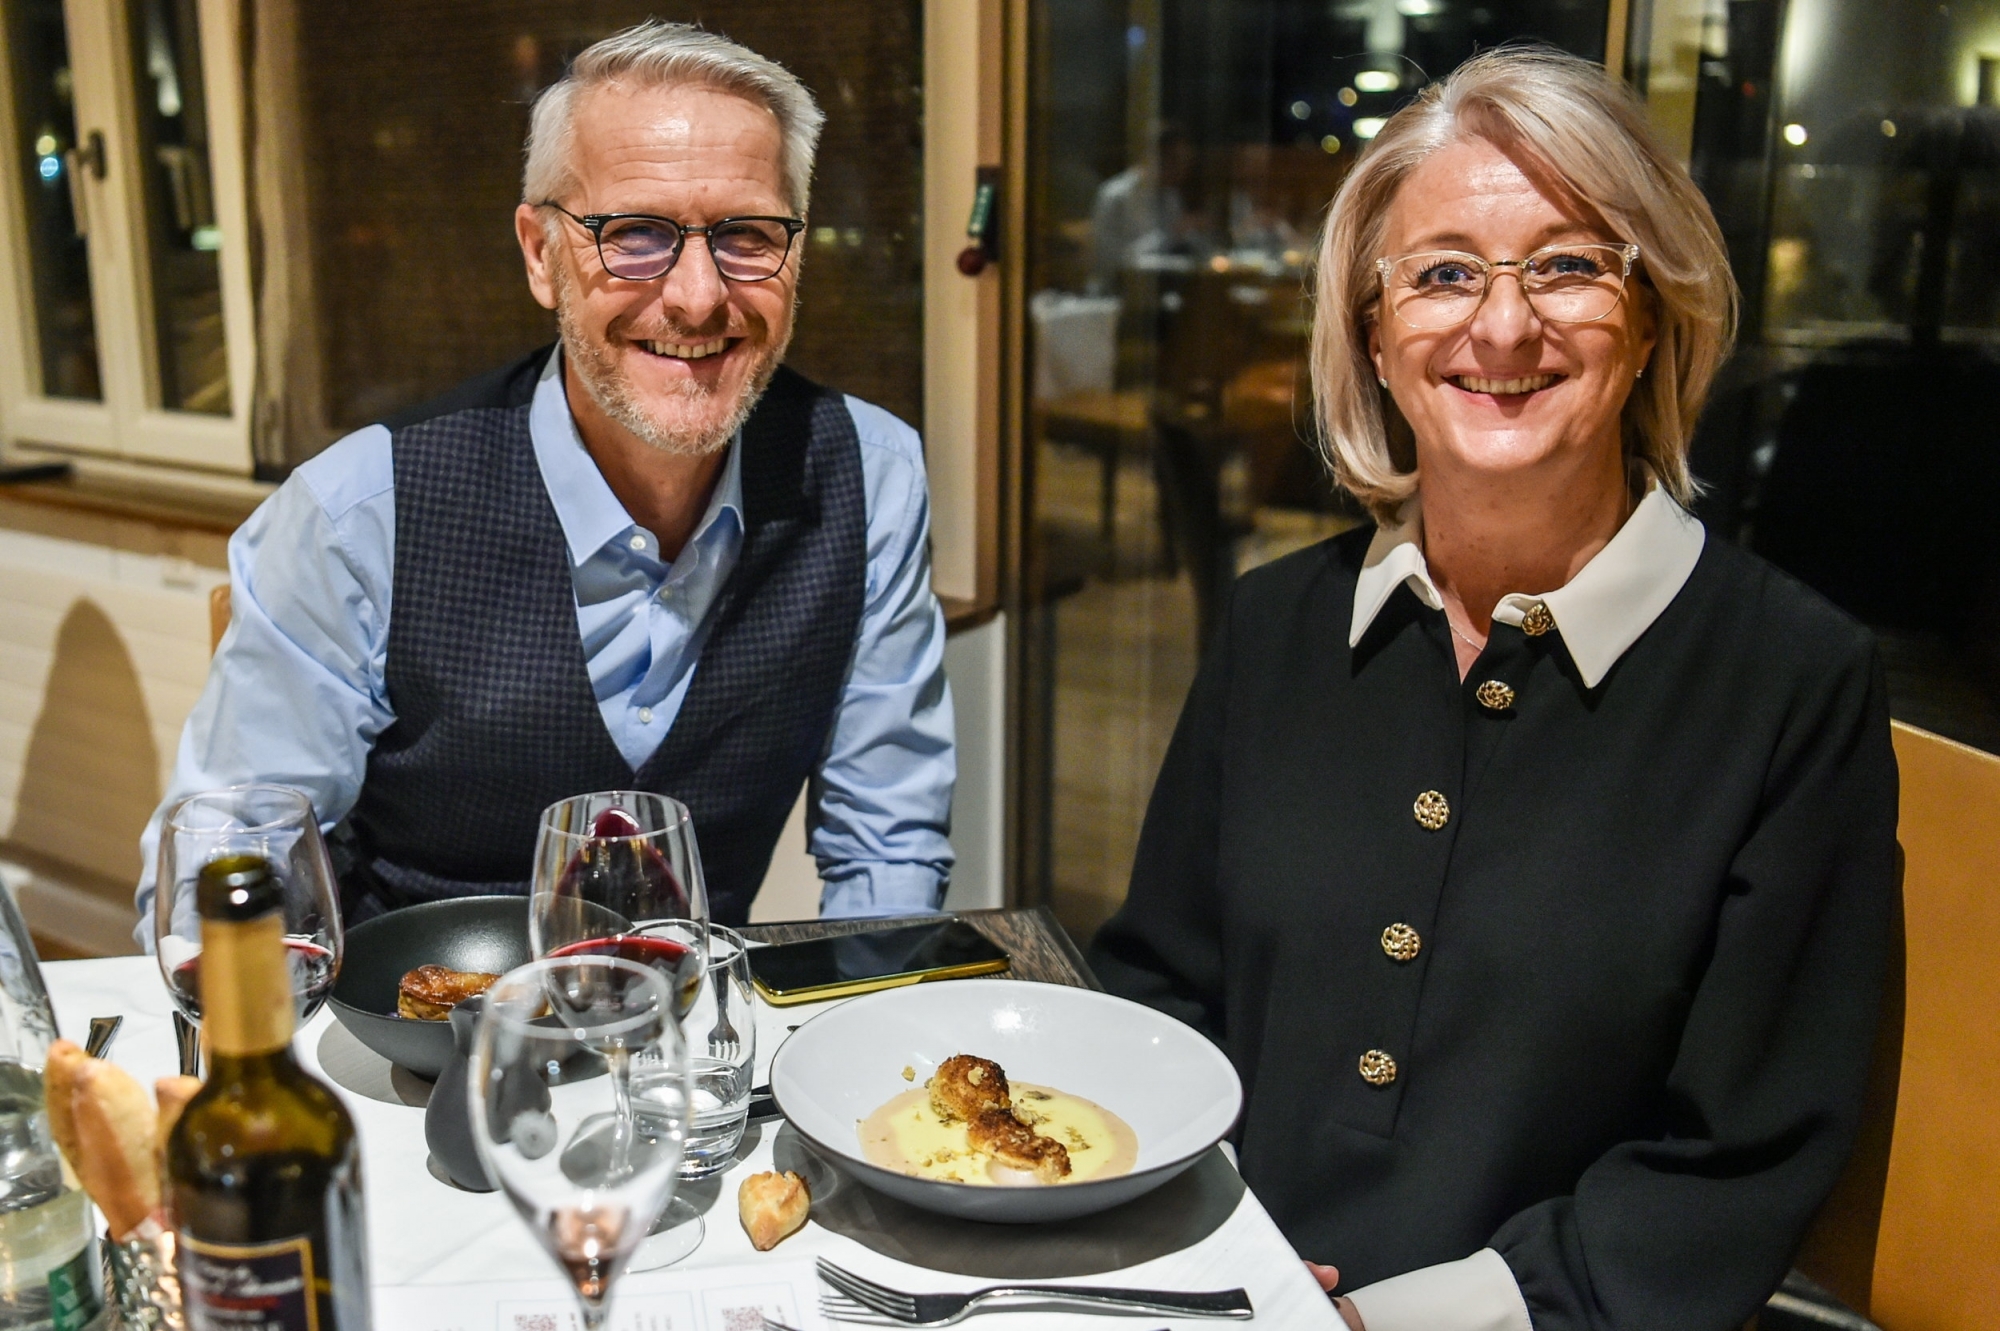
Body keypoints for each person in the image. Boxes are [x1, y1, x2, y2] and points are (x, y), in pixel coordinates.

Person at [1089, 47, 1896, 1331]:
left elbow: (1738, 1155)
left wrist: (1386, 1321)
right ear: (1373, 330)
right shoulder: (1276, 622)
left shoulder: (1792, 682)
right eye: (1444, 272)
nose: (1502, 325)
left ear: (1650, 315)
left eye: (1569, 265)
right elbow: (1158, 989)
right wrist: (1208, 1255)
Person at [134, 22, 953, 933]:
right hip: (404, 1046)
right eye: (635, 234)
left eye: (748, 235)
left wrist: (867, 1033)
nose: (697, 296)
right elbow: (217, 878)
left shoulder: (868, 479)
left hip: (692, 1050)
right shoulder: (360, 510)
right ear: (541, 255)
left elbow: (889, 847)